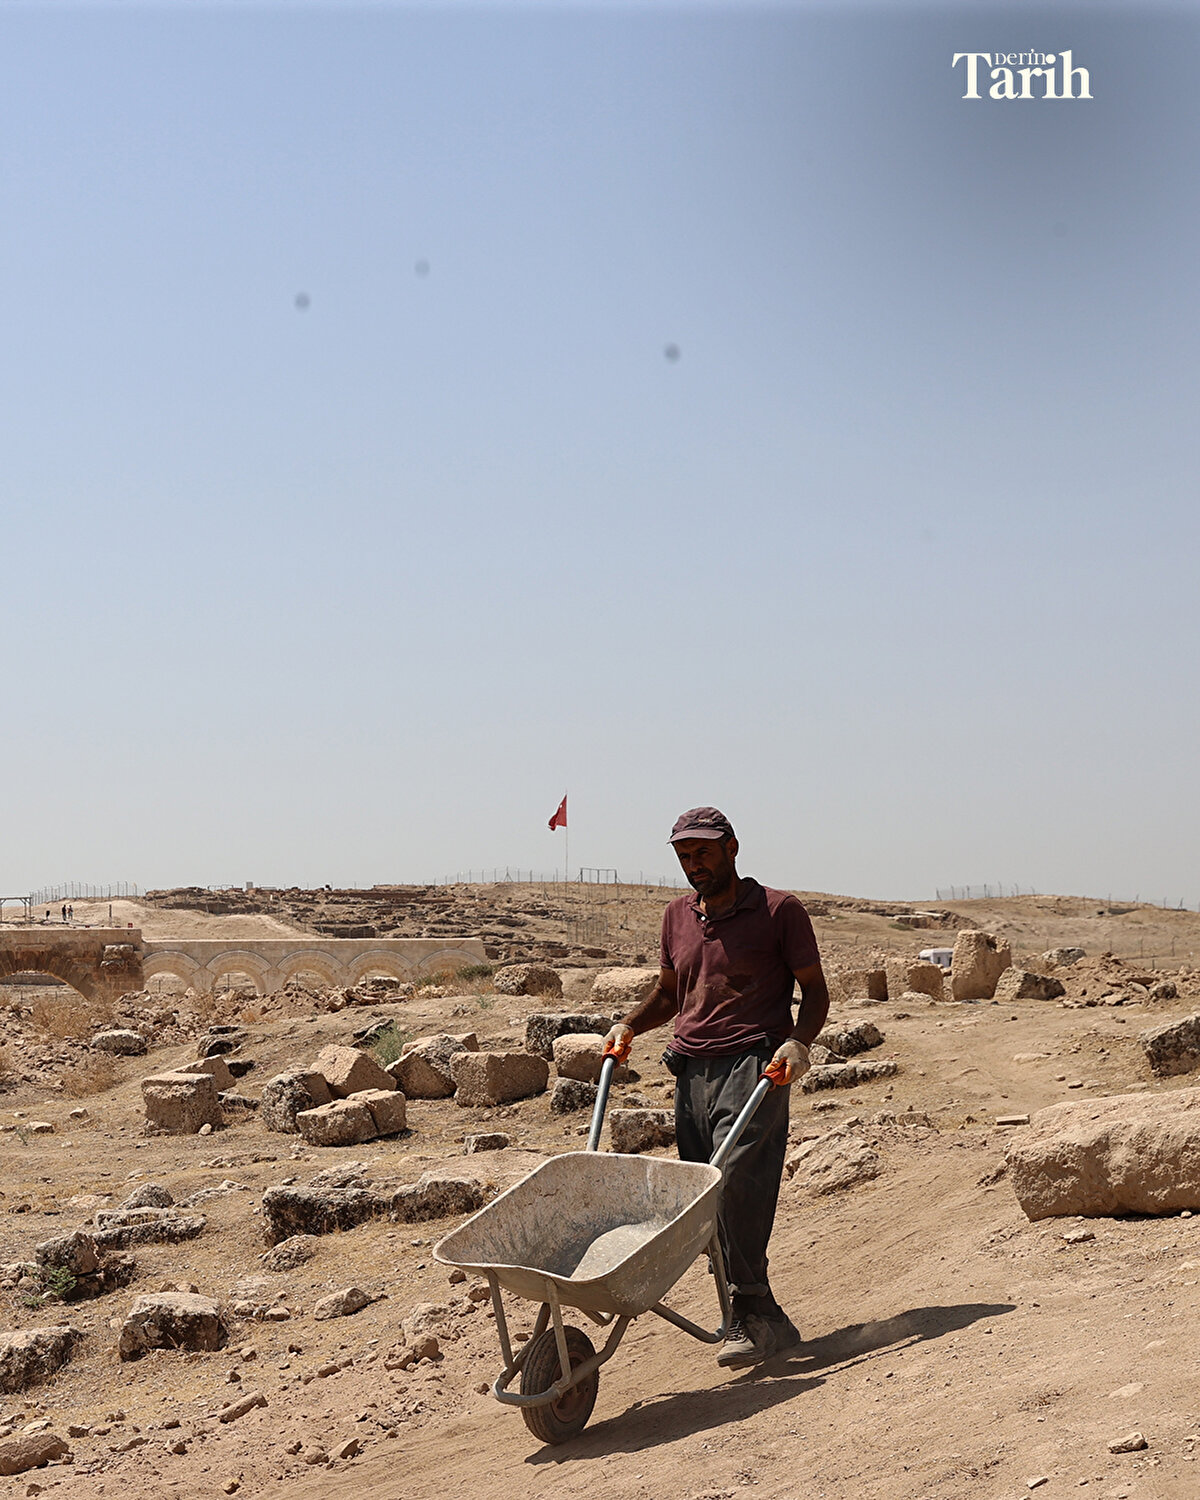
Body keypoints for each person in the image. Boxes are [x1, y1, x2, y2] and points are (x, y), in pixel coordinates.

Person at [604, 807, 829, 1369]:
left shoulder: (780, 911)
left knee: (733, 1187)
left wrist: (798, 1043)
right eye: (683, 856)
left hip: (757, 1064)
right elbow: (669, 994)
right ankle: (766, 1317)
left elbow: (815, 993)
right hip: (690, 1070)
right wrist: (628, 1024)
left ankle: (746, 1313)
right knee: (704, 1199)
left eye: (702, 852)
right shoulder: (677, 916)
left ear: (732, 847)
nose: (692, 865)